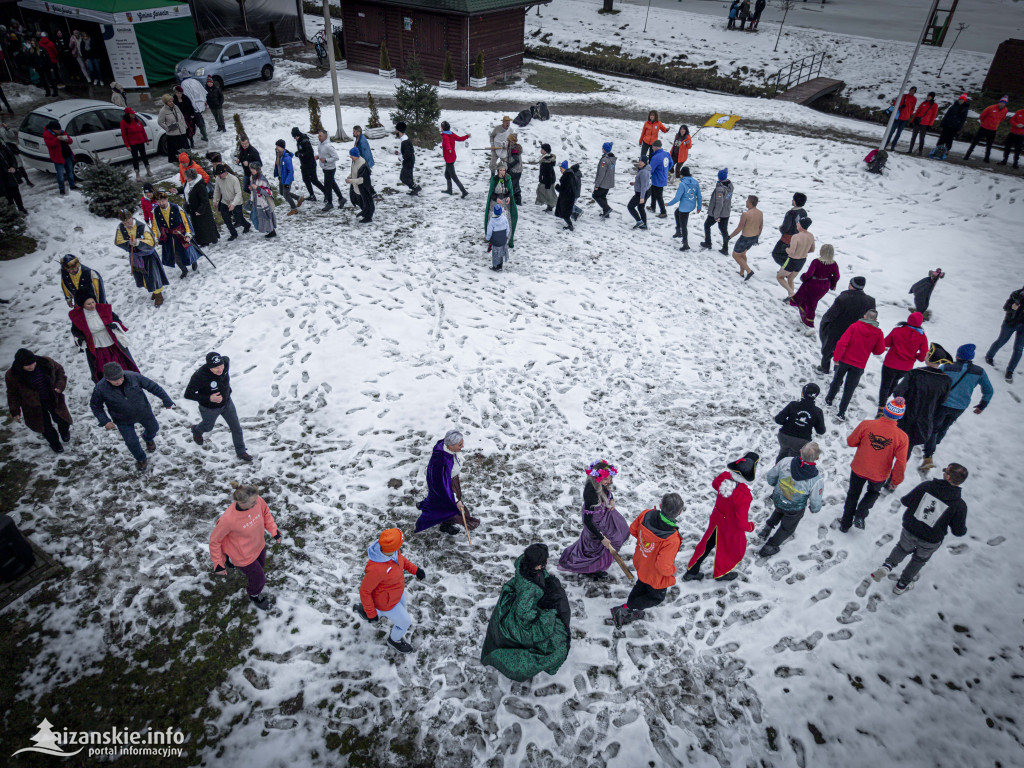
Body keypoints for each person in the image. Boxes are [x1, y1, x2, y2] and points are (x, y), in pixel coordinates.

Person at [870, 464, 968, 595]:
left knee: (902, 548)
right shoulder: (959, 505)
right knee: (919, 560)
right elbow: (958, 531)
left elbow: (906, 501)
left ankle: (887, 566)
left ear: (948, 476)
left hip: (911, 529)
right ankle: (902, 585)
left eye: (946, 471)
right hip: (931, 540)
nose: (943, 472)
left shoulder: (927, 486)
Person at [480, 543, 570, 681]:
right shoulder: (530, 589)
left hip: (521, 598)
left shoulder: (523, 562)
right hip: (523, 616)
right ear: (539, 565)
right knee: (557, 640)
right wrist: (541, 615)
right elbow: (523, 611)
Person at [609, 493, 684, 627]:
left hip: (641, 561)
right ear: (679, 513)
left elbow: (633, 530)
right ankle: (626, 609)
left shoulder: (646, 514)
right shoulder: (672, 539)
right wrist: (673, 569)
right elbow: (662, 566)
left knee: (641, 585)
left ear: (661, 505)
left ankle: (629, 609)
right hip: (655, 575)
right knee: (655, 597)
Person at [684, 452, 758, 582]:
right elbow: (741, 522)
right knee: (728, 549)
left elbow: (714, 484)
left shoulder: (724, 477)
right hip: (730, 525)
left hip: (717, 517)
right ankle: (721, 573)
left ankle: (692, 570)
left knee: (707, 543)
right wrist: (750, 526)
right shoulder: (743, 494)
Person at [840, 398, 909, 532]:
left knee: (853, 495)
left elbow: (851, 442)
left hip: (859, 467)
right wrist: (896, 480)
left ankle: (845, 524)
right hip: (879, 474)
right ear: (900, 416)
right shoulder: (902, 437)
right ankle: (861, 514)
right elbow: (901, 462)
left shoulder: (867, 425)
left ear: (885, 411)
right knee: (873, 492)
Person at [210, 484, 282, 611]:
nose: (256, 503)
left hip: (259, 545)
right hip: (242, 555)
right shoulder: (228, 520)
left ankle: (233, 563)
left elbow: (266, 513)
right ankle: (254, 594)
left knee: (261, 566)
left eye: (256, 499)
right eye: (253, 502)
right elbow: (215, 541)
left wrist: (274, 531)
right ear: (241, 502)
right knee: (259, 579)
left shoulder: (257, 500)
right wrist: (218, 563)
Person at [89, 362, 172, 470]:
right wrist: (105, 420)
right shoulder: (100, 388)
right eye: (115, 380)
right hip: (122, 419)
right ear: (107, 379)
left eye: (121, 378)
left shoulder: (134, 377)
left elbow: (153, 387)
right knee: (131, 442)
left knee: (154, 428)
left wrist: (166, 399)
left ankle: (148, 438)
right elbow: (95, 406)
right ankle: (141, 458)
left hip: (143, 412)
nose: (119, 381)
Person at [923, 345, 994, 468]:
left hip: (943, 403)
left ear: (957, 355)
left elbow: (935, 382)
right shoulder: (979, 372)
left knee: (934, 427)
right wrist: (982, 405)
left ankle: (929, 454)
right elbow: (989, 390)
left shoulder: (947, 367)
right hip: (960, 407)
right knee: (946, 426)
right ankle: (936, 442)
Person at [357, 528, 424, 653]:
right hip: (386, 603)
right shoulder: (376, 569)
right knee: (405, 622)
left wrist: (415, 570)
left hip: (396, 593)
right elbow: (364, 591)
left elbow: (401, 560)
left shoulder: (391, 551)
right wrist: (372, 614)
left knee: (402, 609)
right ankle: (394, 640)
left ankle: (368, 611)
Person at [558, 460, 629, 578]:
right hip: (594, 523)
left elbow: (607, 491)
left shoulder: (603, 484)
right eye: (606, 479)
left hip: (604, 515)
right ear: (597, 479)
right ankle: (590, 568)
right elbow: (587, 521)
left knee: (619, 531)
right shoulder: (591, 494)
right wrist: (601, 538)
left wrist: (611, 499)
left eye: (610, 478)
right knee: (594, 547)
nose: (609, 481)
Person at [757, 443, 825, 558]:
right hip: (794, 508)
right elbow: (815, 499)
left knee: (779, 510)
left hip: (778, 498)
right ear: (817, 458)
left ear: (800, 451)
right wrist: (814, 508)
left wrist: (774, 484)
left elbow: (771, 475)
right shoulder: (816, 480)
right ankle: (770, 547)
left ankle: (768, 527)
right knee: (787, 528)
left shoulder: (786, 462)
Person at [184, 352, 251, 461]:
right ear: (209, 366)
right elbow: (188, 394)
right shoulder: (199, 376)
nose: (220, 370)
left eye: (221, 366)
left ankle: (241, 452)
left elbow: (226, 358)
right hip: (209, 408)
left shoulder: (225, 362)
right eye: (216, 368)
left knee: (236, 428)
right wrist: (209, 398)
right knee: (208, 427)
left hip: (227, 403)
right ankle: (196, 430)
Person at [6, 348, 73, 454]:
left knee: (62, 419)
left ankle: (64, 431)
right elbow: (12, 394)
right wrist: (15, 411)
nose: (32, 367)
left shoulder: (46, 363)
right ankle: (55, 443)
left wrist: (59, 386)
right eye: (28, 365)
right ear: (20, 365)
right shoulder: (12, 375)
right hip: (33, 406)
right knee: (45, 427)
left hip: (52, 398)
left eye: (33, 363)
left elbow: (60, 371)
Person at [893, 344, 953, 460]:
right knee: (907, 448)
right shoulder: (946, 380)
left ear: (929, 357)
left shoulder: (914, 373)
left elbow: (898, 392)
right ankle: (895, 475)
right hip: (925, 421)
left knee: (893, 444)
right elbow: (942, 401)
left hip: (905, 417)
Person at [825, 309, 885, 421]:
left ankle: (829, 399)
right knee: (849, 389)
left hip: (844, 361)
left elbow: (842, 343)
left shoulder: (854, 326)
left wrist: (836, 358)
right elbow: (878, 351)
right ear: (876, 320)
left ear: (864, 316)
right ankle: (841, 412)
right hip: (859, 365)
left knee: (837, 380)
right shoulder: (878, 333)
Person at [415, 430, 480, 534]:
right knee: (448, 506)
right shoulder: (443, 462)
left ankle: (425, 505)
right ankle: (446, 525)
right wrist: (456, 501)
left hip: (449, 479)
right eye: (460, 444)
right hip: (445, 483)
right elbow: (443, 488)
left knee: (436, 498)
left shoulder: (445, 446)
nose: (462, 446)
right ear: (450, 445)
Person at [69, 293, 139, 383]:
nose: (92, 305)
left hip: (111, 340)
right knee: (102, 366)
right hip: (95, 344)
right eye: (88, 304)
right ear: (83, 305)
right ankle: (108, 383)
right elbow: (75, 331)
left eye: (93, 302)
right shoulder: (77, 316)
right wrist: (82, 338)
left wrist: (115, 325)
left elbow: (116, 320)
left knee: (120, 361)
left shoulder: (103, 309)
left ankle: (126, 379)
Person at [818, 276, 876, 374]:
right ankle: (838, 373)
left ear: (852, 285)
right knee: (845, 353)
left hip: (837, 330)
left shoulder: (843, 298)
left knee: (828, 350)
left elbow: (830, 315)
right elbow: (871, 319)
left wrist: (824, 325)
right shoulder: (870, 301)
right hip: (856, 333)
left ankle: (825, 367)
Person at [114, 209, 167, 306]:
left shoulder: (142, 226)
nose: (127, 225)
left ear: (131, 218)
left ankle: (158, 294)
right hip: (135, 257)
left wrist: (138, 243)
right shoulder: (121, 228)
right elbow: (118, 241)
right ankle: (153, 291)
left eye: (128, 222)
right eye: (124, 223)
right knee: (143, 277)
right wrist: (129, 244)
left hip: (148, 256)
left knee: (153, 276)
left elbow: (151, 243)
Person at [878, 312, 929, 409]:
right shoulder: (922, 337)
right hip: (905, 367)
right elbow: (923, 357)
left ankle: (881, 406)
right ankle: (886, 398)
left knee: (885, 385)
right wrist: (915, 355)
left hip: (890, 363)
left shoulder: (897, 330)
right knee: (895, 382)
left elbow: (886, 343)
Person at [789, 243, 840, 328]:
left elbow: (809, 274)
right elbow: (836, 276)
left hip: (813, 285)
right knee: (813, 301)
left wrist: (803, 277)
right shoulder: (834, 264)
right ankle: (806, 316)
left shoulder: (816, 262)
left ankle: (809, 321)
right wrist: (832, 285)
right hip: (824, 286)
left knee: (809, 302)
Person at [774, 383, 826, 464]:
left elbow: (778, 419)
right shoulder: (817, 412)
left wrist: (787, 423)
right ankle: (790, 472)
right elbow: (821, 431)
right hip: (802, 441)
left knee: (783, 453)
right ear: (815, 396)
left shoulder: (793, 405)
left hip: (784, 436)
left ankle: (777, 470)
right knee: (794, 460)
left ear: (802, 393)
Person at [153, 190, 201, 278]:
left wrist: (188, 234)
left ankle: (194, 261)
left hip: (181, 234)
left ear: (167, 199)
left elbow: (186, 221)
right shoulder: (156, 211)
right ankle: (184, 270)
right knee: (175, 255)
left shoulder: (177, 208)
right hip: (168, 237)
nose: (161, 203)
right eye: (159, 202)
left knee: (188, 251)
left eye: (162, 201)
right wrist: (155, 238)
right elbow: (155, 226)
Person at [985, 285, 1024, 384]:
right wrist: (1012, 307)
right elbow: (1006, 307)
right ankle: (989, 356)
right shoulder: (1016, 294)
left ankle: (1010, 371)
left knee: (1019, 349)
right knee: (1001, 341)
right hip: (1010, 324)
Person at [964, 96, 1009, 163]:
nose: (1002, 104)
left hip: (993, 129)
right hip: (984, 127)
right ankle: (967, 155)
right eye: (1001, 103)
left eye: (1003, 103)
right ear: (999, 102)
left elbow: (1002, 119)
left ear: (1005, 104)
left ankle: (987, 158)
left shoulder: (1005, 110)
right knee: (975, 142)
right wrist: (984, 122)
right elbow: (982, 116)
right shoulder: (991, 108)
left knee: (989, 144)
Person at [777, 216, 814, 298]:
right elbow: (812, 249)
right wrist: (802, 250)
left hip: (792, 260)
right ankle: (791, 298)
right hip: (802, 261)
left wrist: (785, 248)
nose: (796, 224)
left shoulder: (796, 236)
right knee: (790, 278)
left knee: (780, 277)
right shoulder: (811, 236)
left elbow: (791, 252)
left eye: (798, 222)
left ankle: (792, 293)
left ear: (801, 225)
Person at [666, 166, 701, 250]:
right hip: (691, 205)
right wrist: (699, 207)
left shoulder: (682, 184)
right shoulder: (695, 182)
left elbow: (677, 198)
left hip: (684, 207)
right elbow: (699, 196)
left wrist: (668, 204)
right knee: (676, 213)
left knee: (684, 225)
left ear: (682, 175)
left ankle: (685, 244)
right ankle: (678, 231)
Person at [728, 195, 763, 280]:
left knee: (735, 255)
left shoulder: (746, 214)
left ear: (750, 203)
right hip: (754, 237)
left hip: (745, 238)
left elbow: (740, 228)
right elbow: (761, 226)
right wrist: (757, 237)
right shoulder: (760, 213)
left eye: (747, 201)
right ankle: (741, 272)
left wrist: (729, 237)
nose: (746, 202)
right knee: (742, 254)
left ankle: (749, 271)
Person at [213, 163, 250, 241]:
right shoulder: (218, 179)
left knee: (238, 218)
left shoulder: (233, 179)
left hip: (236, 201)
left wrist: (233, 204)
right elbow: (216, 190)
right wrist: (215, 200)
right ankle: (233, 233)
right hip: (224, 201)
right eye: (218, 175)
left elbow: (238, 193)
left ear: (224, 172)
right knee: (226, 219)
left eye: (220, 174)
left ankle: (246, 225)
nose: (219, 176)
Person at [183, 168, 219, 247]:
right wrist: (177, 191)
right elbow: (186, 191)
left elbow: (204, 200)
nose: (184, 178)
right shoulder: (188, 183)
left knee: (204, 226)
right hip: (193, 208)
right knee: (197, 226)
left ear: (190, 177)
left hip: (201, 209)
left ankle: (206, 240)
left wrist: (200, 210)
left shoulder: (200, 186)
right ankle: (201, 240)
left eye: (186, 176)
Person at [700, 168, 733, 255]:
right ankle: (725, 248)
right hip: (726, 212)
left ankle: (708, 243)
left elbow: (719, 203)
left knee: (707, 225)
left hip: (717, 213)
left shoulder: (720, 189)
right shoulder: (730, 185)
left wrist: (716, 216)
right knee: (724, 230)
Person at [771, 192, 807, 267]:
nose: (792, 201)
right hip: (798, 238)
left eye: (793, 199)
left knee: (776, 254)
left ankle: (787, 269)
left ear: (795, 201)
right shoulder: (804, 212)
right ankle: (787, 269)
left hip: (787, 239)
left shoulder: (790, 213)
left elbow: (785, 227)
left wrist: (781, 228)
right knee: (788, 255)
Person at [929, 94, 970, 160]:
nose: (960, 101)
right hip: (947, 124)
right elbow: (947, 115)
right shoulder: (953, 106)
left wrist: (959, 127)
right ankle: (938, 148)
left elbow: (963, 119)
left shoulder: (965, 109)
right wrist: (943, 123)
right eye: (960, 99)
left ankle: (947, 150)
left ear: (964, 101)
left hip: (954, 126)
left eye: (962, 100)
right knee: (943, 137)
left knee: (950, 138)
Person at [288, 127, 323, 203]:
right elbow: (301, 151)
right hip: (304, 164)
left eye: (295, 137)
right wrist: (298, 153)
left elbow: (309, 153)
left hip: (310, 164)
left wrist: (301, 154)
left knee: (314, 180)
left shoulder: (305, 141)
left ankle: (326, 193)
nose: (295, 138)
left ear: (298, 135)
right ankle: (312, 195)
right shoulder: (300, 141)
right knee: (306, 180)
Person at [485, 163, 517, 243]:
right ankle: (493, 239)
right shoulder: (494, 179)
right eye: (500, 170)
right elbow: (491, 194)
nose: (502, 172)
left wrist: (509, 197)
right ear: (498, 171)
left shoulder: (508, 179)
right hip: (495, 204)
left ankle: (505, 239)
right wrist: (496, 199)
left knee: (505, 221)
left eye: (503, 170)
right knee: (494, 222)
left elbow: (510, 191)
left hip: (505, 203)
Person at [42, 120, 76, 195]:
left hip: (67, 155)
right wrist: (57, 139)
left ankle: (72, 185)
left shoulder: (63, 132)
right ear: (52, 129)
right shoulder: (47, 134)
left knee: (70, 172)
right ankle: (62, 189)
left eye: (60, 129)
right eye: (57, 130)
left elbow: (70, 141)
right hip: (58, 158)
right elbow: (50, 144)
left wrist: (67, 140)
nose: (59, 131)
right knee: (60, 175)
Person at [315, 128, 344, 212]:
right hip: (325, 167)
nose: (318, 137)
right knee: (332, 184)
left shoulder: (329, 146)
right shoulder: (320, 144)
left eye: (320, 136)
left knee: (328, 186)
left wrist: (326, 160)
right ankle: (341, 199)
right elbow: (322, 154)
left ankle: (330, 203)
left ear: (325, 136)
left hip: (330, 169)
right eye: (318, 135)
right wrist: (318, 156)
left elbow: (336, 157)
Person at [119, 108, 151, 181]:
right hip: (133, 143)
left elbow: (142, 130)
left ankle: (148, 170)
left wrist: (146, 140)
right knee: (135, 158)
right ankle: (137, 173)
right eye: (131, 113)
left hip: (141, 141)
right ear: (128, 114)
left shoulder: (137, 120)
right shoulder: (123, 122)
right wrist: (127, 145)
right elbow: (124, 135)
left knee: (144, 156)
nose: (133, 115)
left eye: (133, 113)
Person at [345, 146, 375, 223]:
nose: (350, 157)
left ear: (356, 155)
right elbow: (354, 171)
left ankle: (368, 217)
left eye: (351, 155)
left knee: (366, 202)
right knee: (359, 201)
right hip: (357, 187)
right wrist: (350, 176)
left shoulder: (362, 165)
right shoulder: (355, 161)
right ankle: (365, 213)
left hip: (363, 188)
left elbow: (361, 180)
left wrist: (350, 180)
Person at [248, 162, 277, 238]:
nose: (252, 170)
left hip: (263, 202)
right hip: (256, 201)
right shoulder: (252, 177)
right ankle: (268, 230)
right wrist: (252, 189)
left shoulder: (262, 179)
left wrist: (257, 188)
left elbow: (268, 192)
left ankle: (271, 231)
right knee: (254, 216)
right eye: (251, 168)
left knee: (265, 217)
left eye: (254, 169)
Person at [273, 139, 302, 215]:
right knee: (282, 192)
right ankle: (299, 198)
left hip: (286, 179)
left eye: (277, 146)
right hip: (281, 177)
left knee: (286, 194)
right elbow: (277, 165)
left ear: (282, 147)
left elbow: (291, 171)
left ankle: (294, 209)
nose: (276, 148)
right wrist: (278, 157)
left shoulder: (287, 158)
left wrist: (287, 182)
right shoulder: (280, 155)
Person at [1, 121, 34, 188]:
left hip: (11, 149)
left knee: (19, 165)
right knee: (8, 167)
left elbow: (12, 136)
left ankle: (27, 180)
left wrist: (7, 128)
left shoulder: (3, 129)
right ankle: (17, 180)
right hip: (3, 153)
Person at [440, 120, 469, 197]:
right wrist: (466, 136)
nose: (441, 128)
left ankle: (464, 191)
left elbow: (447, 144)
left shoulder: (445, 136)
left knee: (454, 177)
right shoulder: (451, 134)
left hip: (449, 158)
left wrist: (449, 149)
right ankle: (449, 190)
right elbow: (459, 138)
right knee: (447, 174)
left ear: (443, 128)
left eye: (441, 127)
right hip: (452, 157)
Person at [157, 94, 188, 164]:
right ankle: (179, 163)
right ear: (166, 103)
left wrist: (184, 125)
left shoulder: (176, 107)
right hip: (173, 134)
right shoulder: (163, 111)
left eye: (172, 101)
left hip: (182, 132)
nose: (171, 103)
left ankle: (186, 161)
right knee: (176, 151)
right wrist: (168, 128)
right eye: (169, 101)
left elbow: (181, 116)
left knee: (185, 148)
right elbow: (160, 122)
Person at [885, 87, 917, 151]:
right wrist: (900, 107)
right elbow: (895, 104)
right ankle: (885, 144)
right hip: (898, 117)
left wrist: (909, 114)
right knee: (891, 132)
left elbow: (912, 108)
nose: (912, 92)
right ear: (909, 90)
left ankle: (893, 146)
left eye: (913, 91)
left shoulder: (914, 99)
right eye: (911, 90)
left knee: (898, 133)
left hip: (905, 118)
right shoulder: (903, 96)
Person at [906, 91, 938, 156]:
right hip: (918, 121)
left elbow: (933, 116)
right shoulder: (923, 103)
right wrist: (912, 121)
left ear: (932, 97)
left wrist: (930, 124)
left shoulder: (934, 105)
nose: (928, 97)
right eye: (928, 96)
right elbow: (917, 112)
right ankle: (910, 149)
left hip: (925, 123)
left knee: (922, 137)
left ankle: (920, 150)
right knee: (913, 136)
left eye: (930, 96)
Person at [646, 140, 672, 218]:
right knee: (654, 191)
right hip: (663, 177)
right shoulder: (666, 154)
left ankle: (663, 212)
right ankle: (653, 207)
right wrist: (665, 171)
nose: (652, 148)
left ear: (656, 147)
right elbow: (671, 163)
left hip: (657, 178)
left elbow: (651, 169)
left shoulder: (656, 157)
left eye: (653, 146)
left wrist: (647, 176)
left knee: (659, 195)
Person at [394, 121, 420, 196]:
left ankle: (416, 187)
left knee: (403, 177)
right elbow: (408, 150)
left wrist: (401, 158)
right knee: (409, 176)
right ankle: (414, 190)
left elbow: (407, 153)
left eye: (396, 130)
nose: (395, 131)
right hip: (410, 160)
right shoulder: (405, 139)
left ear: (399, 131)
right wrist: (399, 153)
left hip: (408, 161)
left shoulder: (404, 141)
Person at [0, 140, 26, 214]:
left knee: (16, 193)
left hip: (10, 175)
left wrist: (13, 167)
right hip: (2, 179)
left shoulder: (4, 147)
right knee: (7, 196)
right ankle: (12, 211)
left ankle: (21, 208)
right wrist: (6, 170)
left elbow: (12, 158)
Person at [180, 77, 208, 143]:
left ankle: (204, 135)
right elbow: (202, 91)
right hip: (199, 104)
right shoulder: (195, 81)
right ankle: (203, 134)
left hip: (192, 106)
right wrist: (204, 100)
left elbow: (186, 96)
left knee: (196, 120)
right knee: (200, 119)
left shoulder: (183, 84)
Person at [626, 157, 651, 230]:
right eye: (639, 161)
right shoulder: (644, 170)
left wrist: (642, 197)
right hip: (645, 191)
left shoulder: (644, 172)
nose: (640, 163)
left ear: (645, 163)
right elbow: (644, 182)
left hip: (641, 193)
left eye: (642, 161)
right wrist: (635, 183)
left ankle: (639, 221)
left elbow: (643, 186)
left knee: (630, 206)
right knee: (640, 208)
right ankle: (644, 224)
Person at [593, 141, 616, 218]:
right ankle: (606, 213)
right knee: (603, 197)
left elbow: (601, 173)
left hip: (603, 183)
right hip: (609, 183)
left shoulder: (604, 160)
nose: (601, 148)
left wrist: (597, 185)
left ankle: (607, 209)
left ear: (605, 149)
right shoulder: (612, 159)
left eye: (603, 147)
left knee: (595, 195)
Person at [485, 204, 510, 272]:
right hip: (503, 239)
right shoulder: (504, 218)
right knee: (501, 252)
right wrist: (506, 236)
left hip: (495, 240)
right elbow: (508, 228)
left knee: (495, 254)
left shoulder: (492, 221)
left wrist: (487, 239)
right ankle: (500, 266)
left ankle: (495, 266)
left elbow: (489, 231)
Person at [554, 160, 576, 231]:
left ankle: (570, 226)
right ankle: (570, 224)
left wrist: (557, 187)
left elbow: (564, 189)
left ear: (564, 168)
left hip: (567, 198)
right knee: (565, 213)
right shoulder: (569, 174)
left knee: (565, 213)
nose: (560, 170)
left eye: (561, 169)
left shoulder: (567, 176)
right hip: (568, 197)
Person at [536, 143, 557, 212]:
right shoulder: (545, 158)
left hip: (548, 180)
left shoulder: (547, 160)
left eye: (542, 149)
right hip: (547, 179)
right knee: (546, 192)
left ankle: (551, 206)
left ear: (545, 150)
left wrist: (547, 183)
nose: (541, 150)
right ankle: (550, 205)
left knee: (548, 193)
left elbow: (548, 173)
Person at [505, 132, 523, 206]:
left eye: (508, 140)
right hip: (518, 169)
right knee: (516, 184)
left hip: (515, 170)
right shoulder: (516, 147)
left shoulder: (514, 149)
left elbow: (516, 160)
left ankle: (515, 200)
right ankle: (517, 199)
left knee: (513, 185)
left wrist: (509, 166)